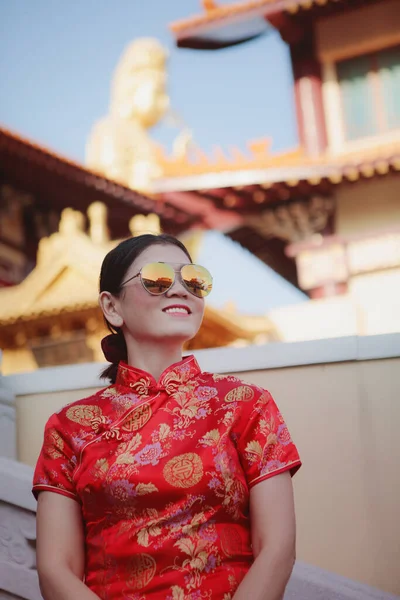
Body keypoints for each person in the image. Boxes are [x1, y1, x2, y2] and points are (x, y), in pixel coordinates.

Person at [33, 233, 302, 600]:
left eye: (193, 280)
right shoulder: (71, 427)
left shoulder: (245, 404)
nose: (180, 290)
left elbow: (277, 548)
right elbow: (55, 569)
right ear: (112, 308)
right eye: (157, 279)